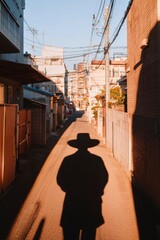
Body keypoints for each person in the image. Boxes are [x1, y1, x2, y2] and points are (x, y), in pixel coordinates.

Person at [57, 133, 108, 240]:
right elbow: (104, 177)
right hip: (91, 203)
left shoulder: (68, 160)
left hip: (72, 202)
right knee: (89, 233)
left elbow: (60, 179)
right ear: (88, 145)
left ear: (77, 146)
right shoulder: (97, 160)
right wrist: (98, 190)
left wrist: (69, 190)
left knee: (70, 234)